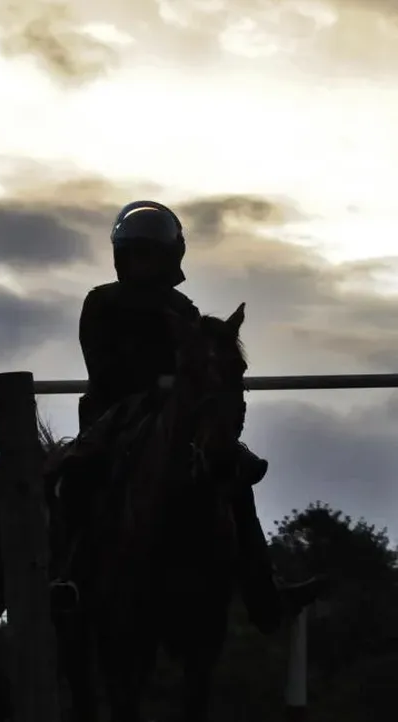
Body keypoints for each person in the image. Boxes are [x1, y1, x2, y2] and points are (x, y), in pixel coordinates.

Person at [51, 201, 328, 634]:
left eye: (153, 254)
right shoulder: (101, 302)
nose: (145, 263)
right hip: (114, 413)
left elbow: (199, 362)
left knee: (231, 472)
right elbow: (101, 368)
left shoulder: (183, 308)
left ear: (169, 258)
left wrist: (194, 385)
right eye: (138, 253)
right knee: (77, 474)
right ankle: (63, 576)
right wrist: (160, 383)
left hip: (180, 414)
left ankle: (264, 589)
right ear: (123, 257)